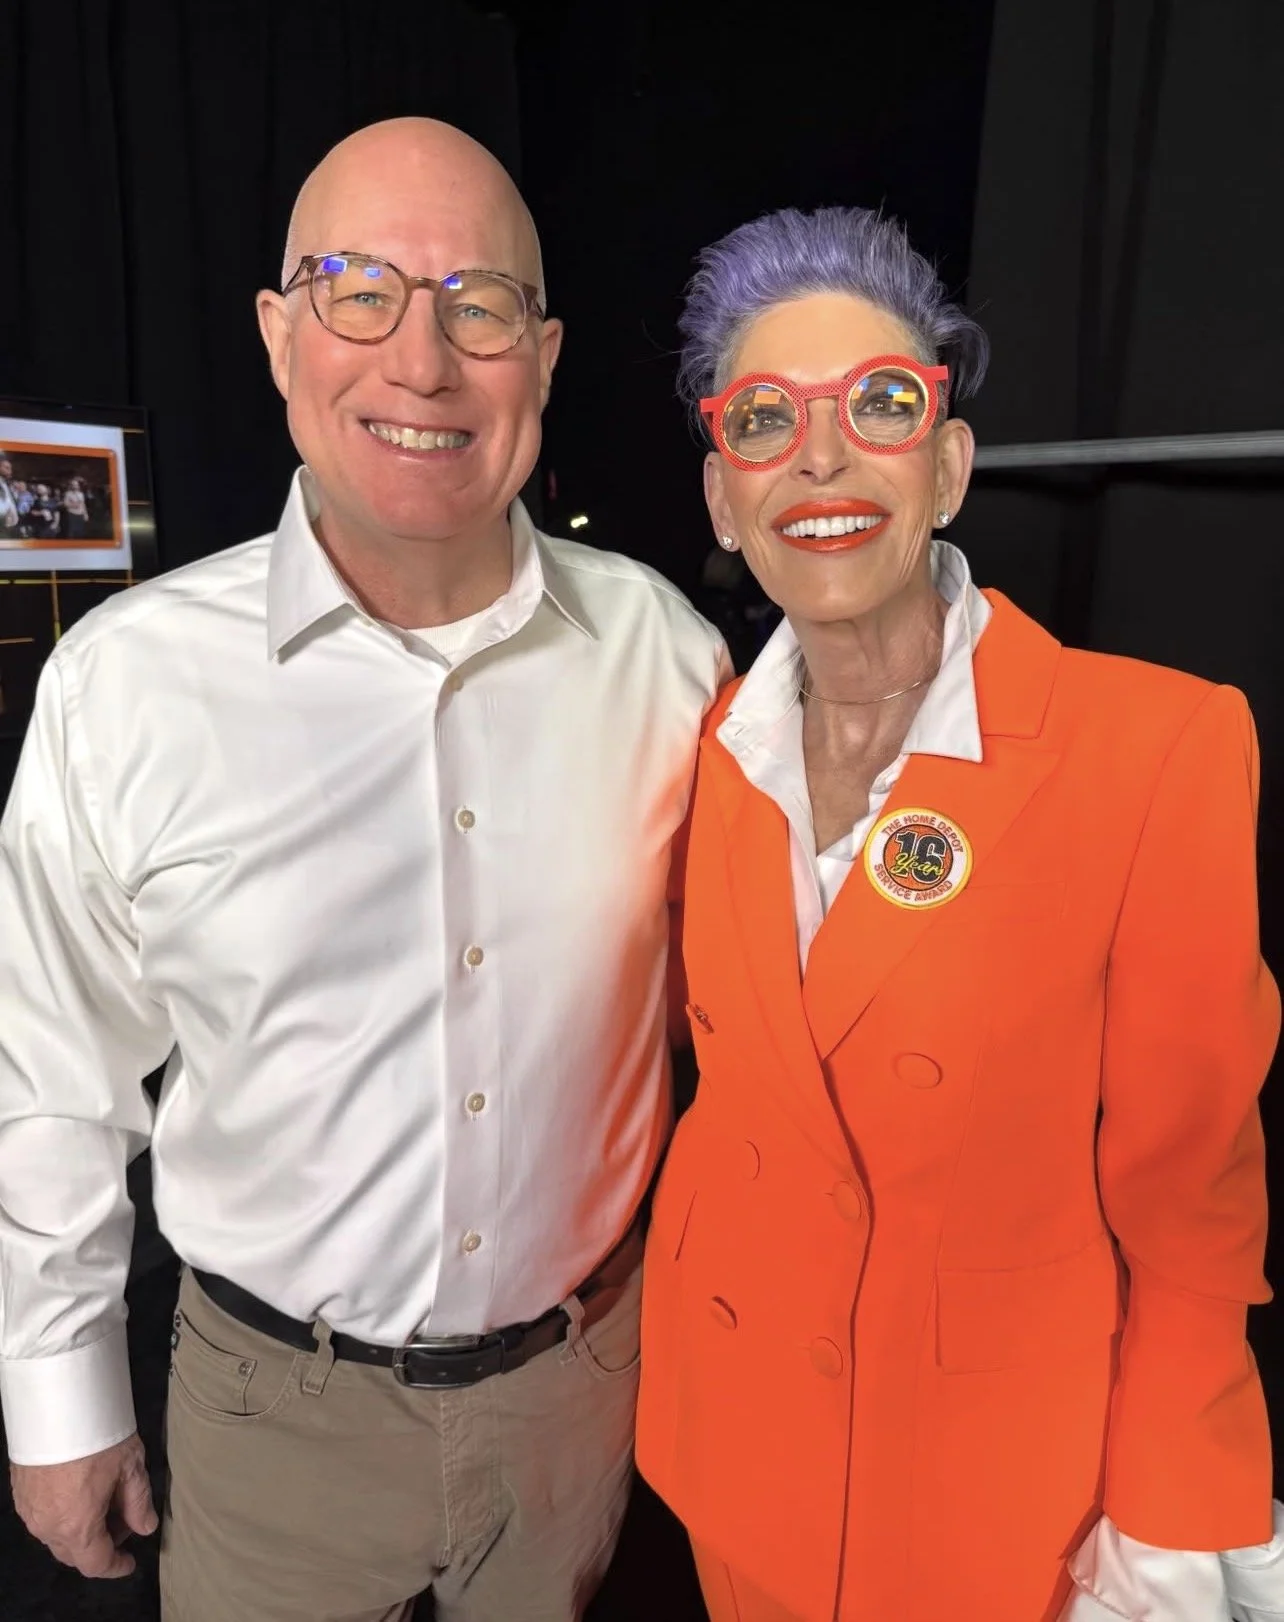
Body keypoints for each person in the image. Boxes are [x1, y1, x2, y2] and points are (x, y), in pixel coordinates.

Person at [0, 118, 728, 1622]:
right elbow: (49, 1071)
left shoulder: (670, 657)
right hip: (274, 1426)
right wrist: (60, 1398)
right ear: (278, 335)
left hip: (586, 1403)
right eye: (357, 291)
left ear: (543, 352)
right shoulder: (125, 685)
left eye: (480, 307)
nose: (422, 362)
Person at [635, 205, 1284, 1622]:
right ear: (721, 497)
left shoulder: (1154, 750)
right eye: (763, 418)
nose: (820, 456)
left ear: (948, 463)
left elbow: (1193, 1212)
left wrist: (1170, 1536)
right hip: (736, 1460)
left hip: (1007, 1509)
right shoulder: (702, 751)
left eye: (879, 404)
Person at [0, 453, 18, 532]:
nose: (10, 471)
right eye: (7, 468)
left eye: (10, 468)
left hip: (9, 527)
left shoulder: (5, 484)